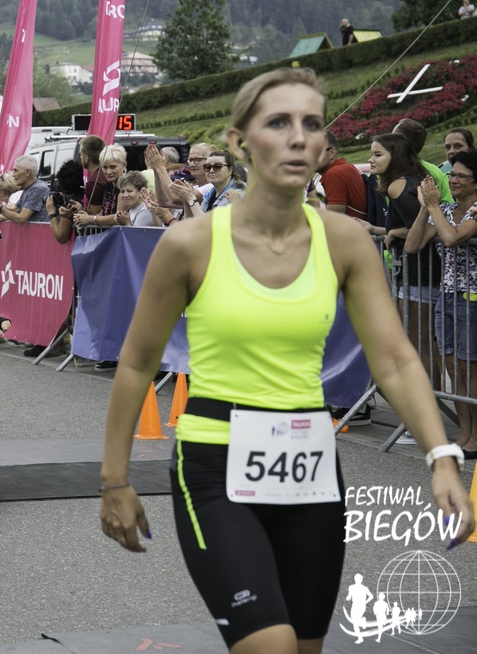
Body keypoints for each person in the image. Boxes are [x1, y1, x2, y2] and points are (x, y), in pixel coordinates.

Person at [98, 68, 473, 654]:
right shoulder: (191, 243)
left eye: (311, 124)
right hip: (215, 467)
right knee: (269, 644)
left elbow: (396, 360)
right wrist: (114, 480)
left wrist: (442, 457)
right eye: (278, 123)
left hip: (310, 470)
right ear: (239, 142)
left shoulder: (343, 241)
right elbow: (136, 362)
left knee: (303, 647)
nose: (299, 137)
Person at [405, 149, 477, 461]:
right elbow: (412, 245)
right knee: (451, 365)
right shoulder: (444, 210)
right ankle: (465, 433)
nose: (453, 180)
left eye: (461, 175)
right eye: (451, 174)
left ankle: (476, 436)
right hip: (446, 296)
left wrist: (434, 207)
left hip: (472, 299)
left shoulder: (474, 211)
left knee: (469, 366)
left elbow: (452, 238)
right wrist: (425, 209)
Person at [376, 133, 442, 388]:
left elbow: (425, 228)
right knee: (425, 346)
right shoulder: (413, 179)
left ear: (395, 157)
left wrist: (396, 232)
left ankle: (427, 405)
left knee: (417, 347)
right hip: (424, 274)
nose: (371, 160)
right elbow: (416, 224)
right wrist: (387, 230)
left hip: (418, 276)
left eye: (378, 154)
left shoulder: (398, 184)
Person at [0, 154, 49, 225]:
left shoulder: (37, 189)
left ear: (27, 172)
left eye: (15, 170)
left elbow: (21, 219)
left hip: (38, 231)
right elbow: (13, 210)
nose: (13, 174)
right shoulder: (28, 188)